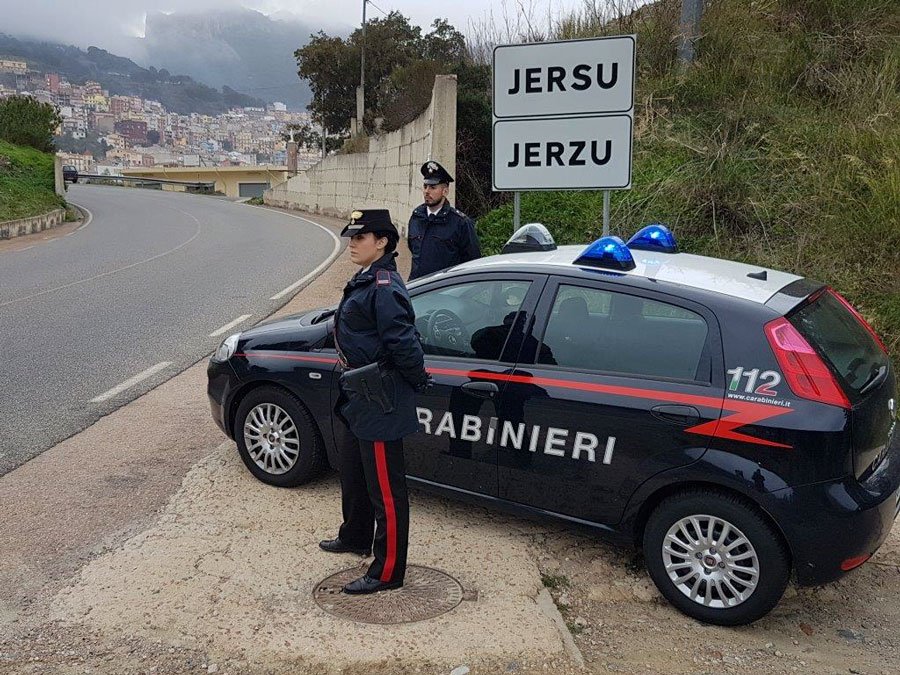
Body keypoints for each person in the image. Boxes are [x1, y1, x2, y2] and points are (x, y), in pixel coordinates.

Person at [319, 208, 431, 595]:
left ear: (381, 242)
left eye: (359, 238)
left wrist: (416, 382)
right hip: (359, 391)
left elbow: (403, 343)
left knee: (386, 489)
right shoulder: (367, 279)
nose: (351, 244)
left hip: (380, 396)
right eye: (351, 238)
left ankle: (387, 571)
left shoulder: (385, 287)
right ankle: (355, 536)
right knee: (355, 470)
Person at [407, 160, 481, 280]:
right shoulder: (417, 217)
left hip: (444, 290)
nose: (427, 191)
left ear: (445, 191)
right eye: (425, 186)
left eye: (433, 187)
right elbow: (414, 250)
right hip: (417, 288)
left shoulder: (460, 223)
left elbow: (472, 261)